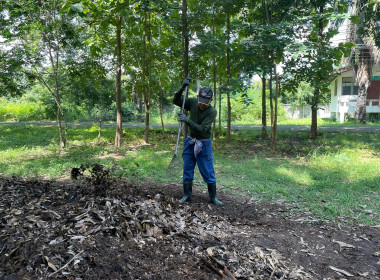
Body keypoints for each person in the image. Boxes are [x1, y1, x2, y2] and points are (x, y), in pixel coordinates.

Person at [173, 77, 223, 206]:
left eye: (206, 103)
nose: (202, 105)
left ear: (211, 100)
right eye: (201, 101)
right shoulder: (193, 102)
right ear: (197, 97)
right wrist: (182, 87)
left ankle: (213, 197)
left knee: (207, 170)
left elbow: (202, 130)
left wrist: (187, 120)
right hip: (190, 142)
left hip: (204, 143)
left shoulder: (212, 111)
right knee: (187, 167)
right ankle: (187, 195)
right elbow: (176, 100)